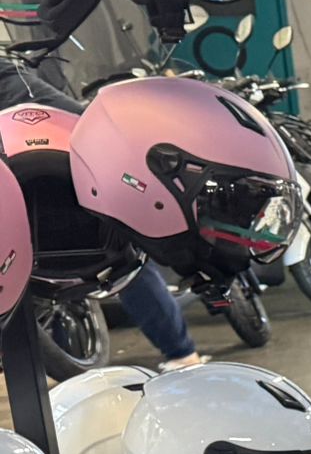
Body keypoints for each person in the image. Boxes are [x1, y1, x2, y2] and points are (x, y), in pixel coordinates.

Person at [0, 55, 206, 367]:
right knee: (127, 259)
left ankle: (181, 353)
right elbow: (83, 121)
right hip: (64, 184)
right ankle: (181, 353)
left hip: (34, 196)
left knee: (121, 259)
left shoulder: (13, 81)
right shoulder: (16, 79)